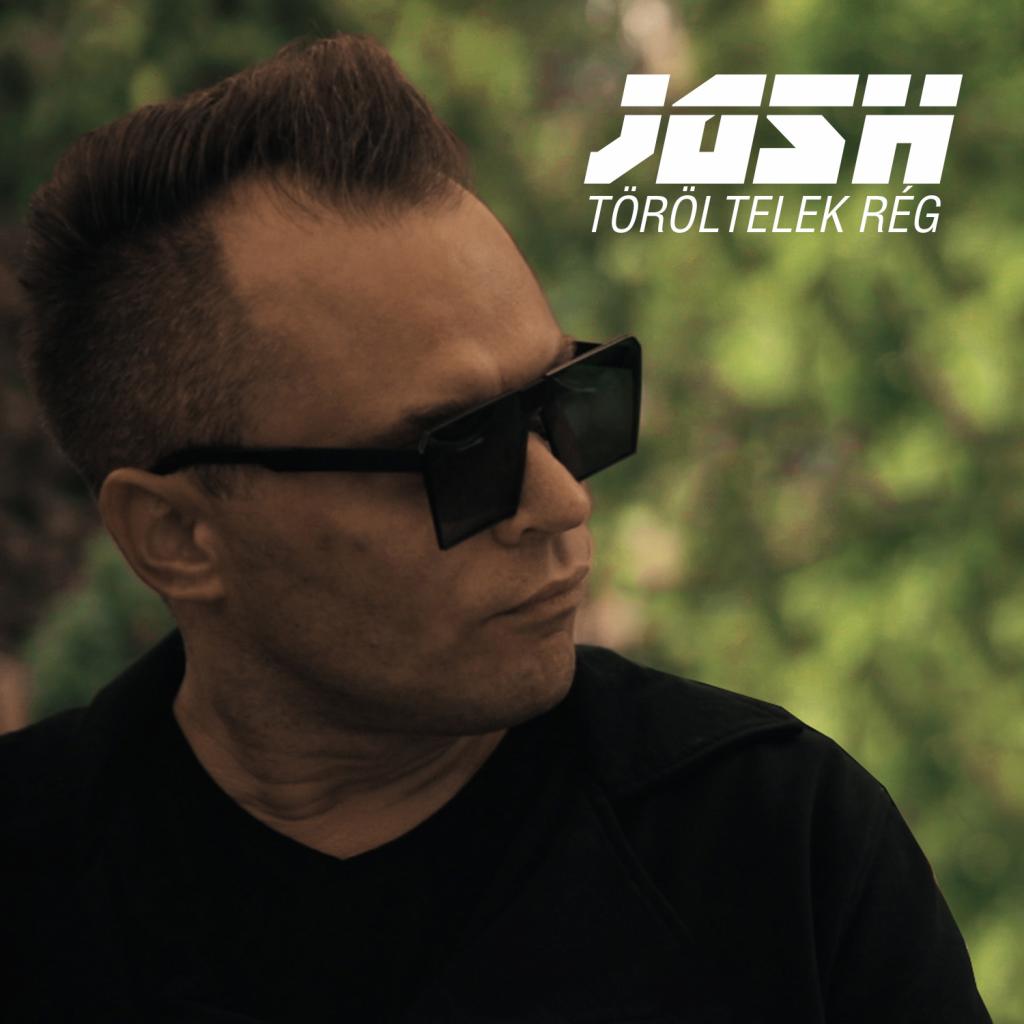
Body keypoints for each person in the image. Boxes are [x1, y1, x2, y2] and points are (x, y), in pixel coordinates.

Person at [1, 33, 990, 1024]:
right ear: (176, 535)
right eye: (462, 451)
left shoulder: (778, 849)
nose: (563, 502)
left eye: (564, 402)